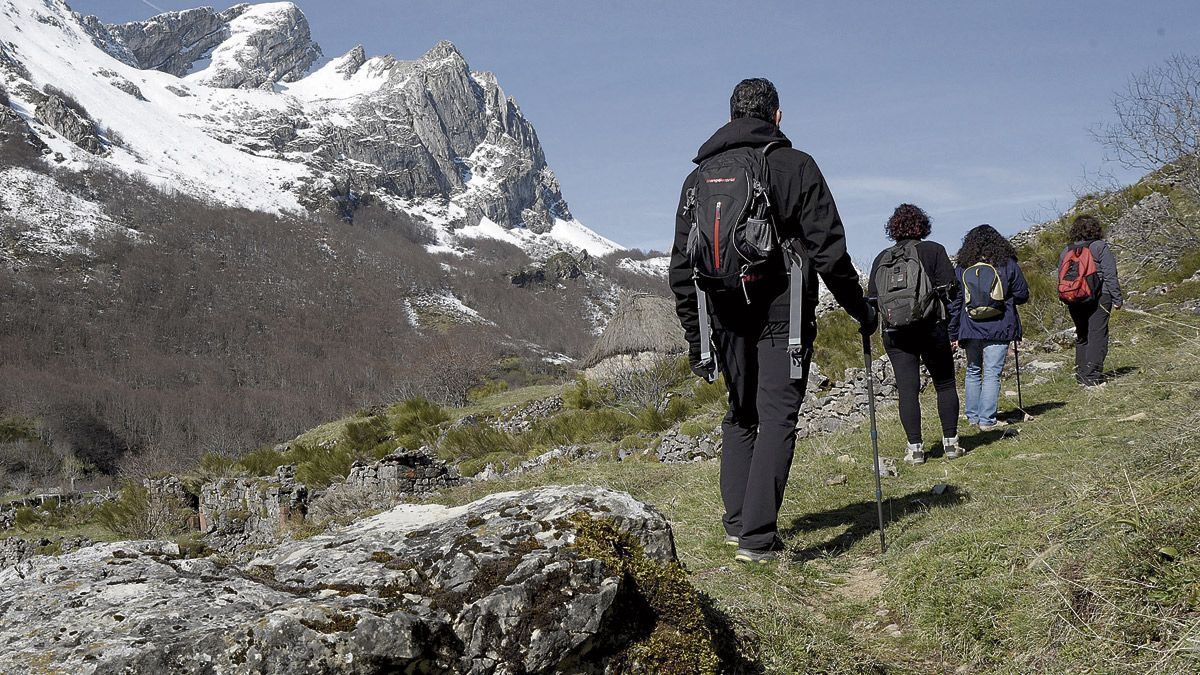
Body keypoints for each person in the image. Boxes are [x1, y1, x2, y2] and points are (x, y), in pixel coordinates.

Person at [669, 78, 876, 564]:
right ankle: (758, 541)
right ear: (777, 116)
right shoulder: (796, 166)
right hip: (785, 312)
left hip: (724, 311)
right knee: (778, 416)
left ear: (730, 115)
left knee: (741, 413)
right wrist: (861, 311)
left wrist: (698, 336)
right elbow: (830, 252)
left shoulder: (697, 179)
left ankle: (738, 523)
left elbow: (682, 268)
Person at [867, 204, 961, 464]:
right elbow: (950, 290)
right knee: (944, 384)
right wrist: (951, 326)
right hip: (931, 327)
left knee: (908, 390)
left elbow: (872, 299)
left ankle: (915, 449)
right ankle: (951, 444)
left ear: (893, 228)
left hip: (896, 334)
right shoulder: (934, 250)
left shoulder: (882, 258)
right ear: (923, 226)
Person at [949, 224, 1029, 431]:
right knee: (992, 373)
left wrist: (953, 331)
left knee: (973, 370)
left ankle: (973, 417)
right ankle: (987, 420)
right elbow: (1022, 294)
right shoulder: (1006, 263)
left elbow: (956, 301)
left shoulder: (962, 267)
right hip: (999, 325)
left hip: (970, 326)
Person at [1060, 214, 1122, 386]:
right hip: (1101, 295)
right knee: (1097, 334)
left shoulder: (1066, 250)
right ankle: (1092, 377)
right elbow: (1110, 274)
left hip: (1074, 298)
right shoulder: (1100, 246)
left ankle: (1081, 375)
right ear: (1096, 229)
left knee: (1082, 335)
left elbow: (1061, 277)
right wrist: (1117, 298)